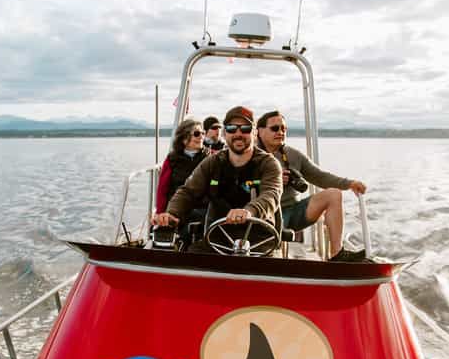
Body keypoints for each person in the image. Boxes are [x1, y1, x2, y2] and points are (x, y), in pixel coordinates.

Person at [153, 106, 282, 250]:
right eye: (232, 128)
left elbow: (271, 195)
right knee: (188, 257)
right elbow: (188, 192)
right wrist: (171, 214)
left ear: (254, 132)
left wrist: (249, 211)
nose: (238, 133)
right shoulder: (213, 162)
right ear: (225, 133)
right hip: (217, 238)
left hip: (260, 241)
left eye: (245, 128)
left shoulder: (269, 164)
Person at [257, 110, 368, 262]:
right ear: (260, 131)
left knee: (334, 194)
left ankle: (337, 254)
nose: (280, 132)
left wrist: (350, 183)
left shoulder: (292, 154)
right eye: (275, 128)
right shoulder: (251, 156)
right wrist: (270, 180)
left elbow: (320, 176)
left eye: (283, 129)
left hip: (294, 212)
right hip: (266, 213)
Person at [155, 118, 209, 215]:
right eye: (197, 134)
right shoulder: (172, 159)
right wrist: (160, 213)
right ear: (184, 138)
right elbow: (163, 190)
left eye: (203, 133)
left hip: (202, 210)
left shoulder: (210, 158)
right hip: (176, 208)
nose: (201, 137)